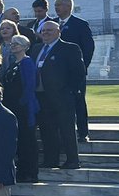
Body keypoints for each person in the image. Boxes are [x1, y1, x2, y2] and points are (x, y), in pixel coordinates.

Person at [31, 21, 85, 171]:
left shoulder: (69, 48)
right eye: (43, 31)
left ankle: (73, 160)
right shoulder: (36, 49)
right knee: (47, 129)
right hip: (41, 96)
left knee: (66, 129)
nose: (46, 33)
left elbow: (78, 73)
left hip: (62, 96)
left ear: (58, 32)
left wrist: (69, 91)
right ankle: (51, 159)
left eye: (49, 30)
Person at [53, 0, 95, 142]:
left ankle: (83, 133)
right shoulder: (51, 24)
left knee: (78, 101)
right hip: (56, 73)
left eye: (59, 5)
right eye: (55, 5)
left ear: (68, 7)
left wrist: (82, 68)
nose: (56, 7)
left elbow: (88, 48)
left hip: (75, 73)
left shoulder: (80, 25)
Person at [1, 35, 40, 182]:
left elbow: (30, 85)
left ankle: (31, 172)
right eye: (12, 43)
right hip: (12, 107)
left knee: (27, 140)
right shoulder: (13, 63)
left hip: (23, 108)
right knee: (19, 141)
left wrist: (22, 103)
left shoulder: (27, 62)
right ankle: (22, 170)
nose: (14, 45)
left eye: (17, 43)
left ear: (25, 46)